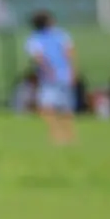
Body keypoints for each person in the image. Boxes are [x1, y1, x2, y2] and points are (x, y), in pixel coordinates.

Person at [24, 9, 77, 144]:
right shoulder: (61, 35)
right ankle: (69, 134)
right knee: (66, 106)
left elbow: (38, 58)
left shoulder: (34, 39)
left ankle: (56, 133)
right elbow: (69, 53)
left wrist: (48, 70)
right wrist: (72, 71)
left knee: (46, 106)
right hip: (64, 75)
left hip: (48, 77)